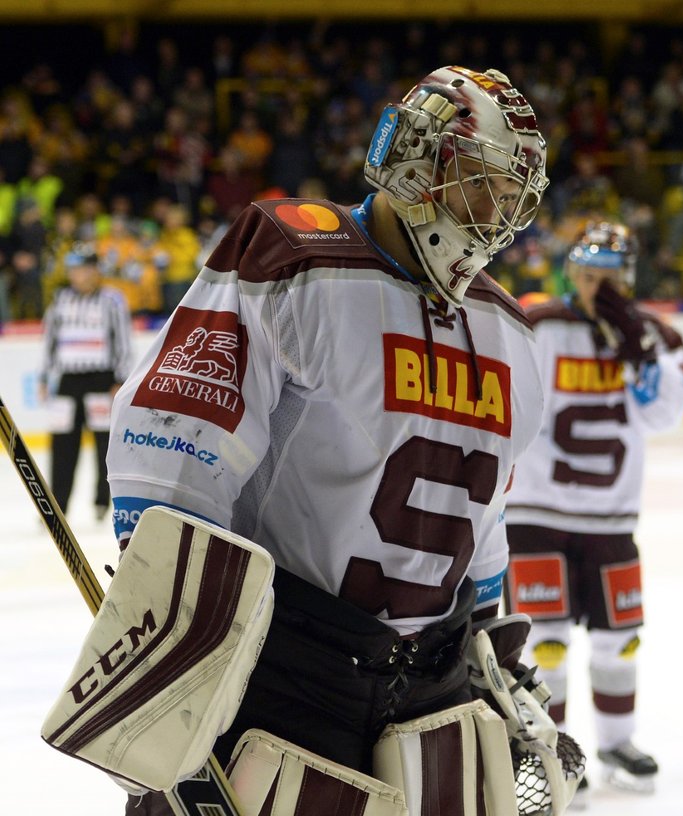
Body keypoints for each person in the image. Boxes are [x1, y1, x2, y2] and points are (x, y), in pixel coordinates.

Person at [105, 66, 570, 815]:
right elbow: (173, 447)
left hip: (429, 691)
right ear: (417, 163)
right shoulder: (297, 258)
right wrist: (173, 658)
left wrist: (495, 652)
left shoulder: (508, 329)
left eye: (512, 199)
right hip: (280, 674)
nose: (499, 217)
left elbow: (485, 511)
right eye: (482, 185)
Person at [503, 222, 683, 803]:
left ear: (628, 279)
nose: (597, 288)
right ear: (572, 275)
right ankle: (554, 749)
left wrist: (639, 354)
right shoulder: (538, 325)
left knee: (622, 638)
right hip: (537, 512)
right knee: (547, 641)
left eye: (609, 278)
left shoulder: (657, 338)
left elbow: (664, 416)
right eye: (588, 277)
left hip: (612, 517)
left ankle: (617, 740)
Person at [39, 243, 133, 519]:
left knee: (104, 443)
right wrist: (45, 376)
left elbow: (123, 343)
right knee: (62, 443)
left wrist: (120, 379)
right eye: (73, 269)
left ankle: (102, 501)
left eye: (82, 268)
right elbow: (49, 342)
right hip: (67, 380)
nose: (76, 274)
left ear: (94, 270)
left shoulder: (112, 300)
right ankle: (58, 505)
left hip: (101, 379)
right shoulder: (60, 300)